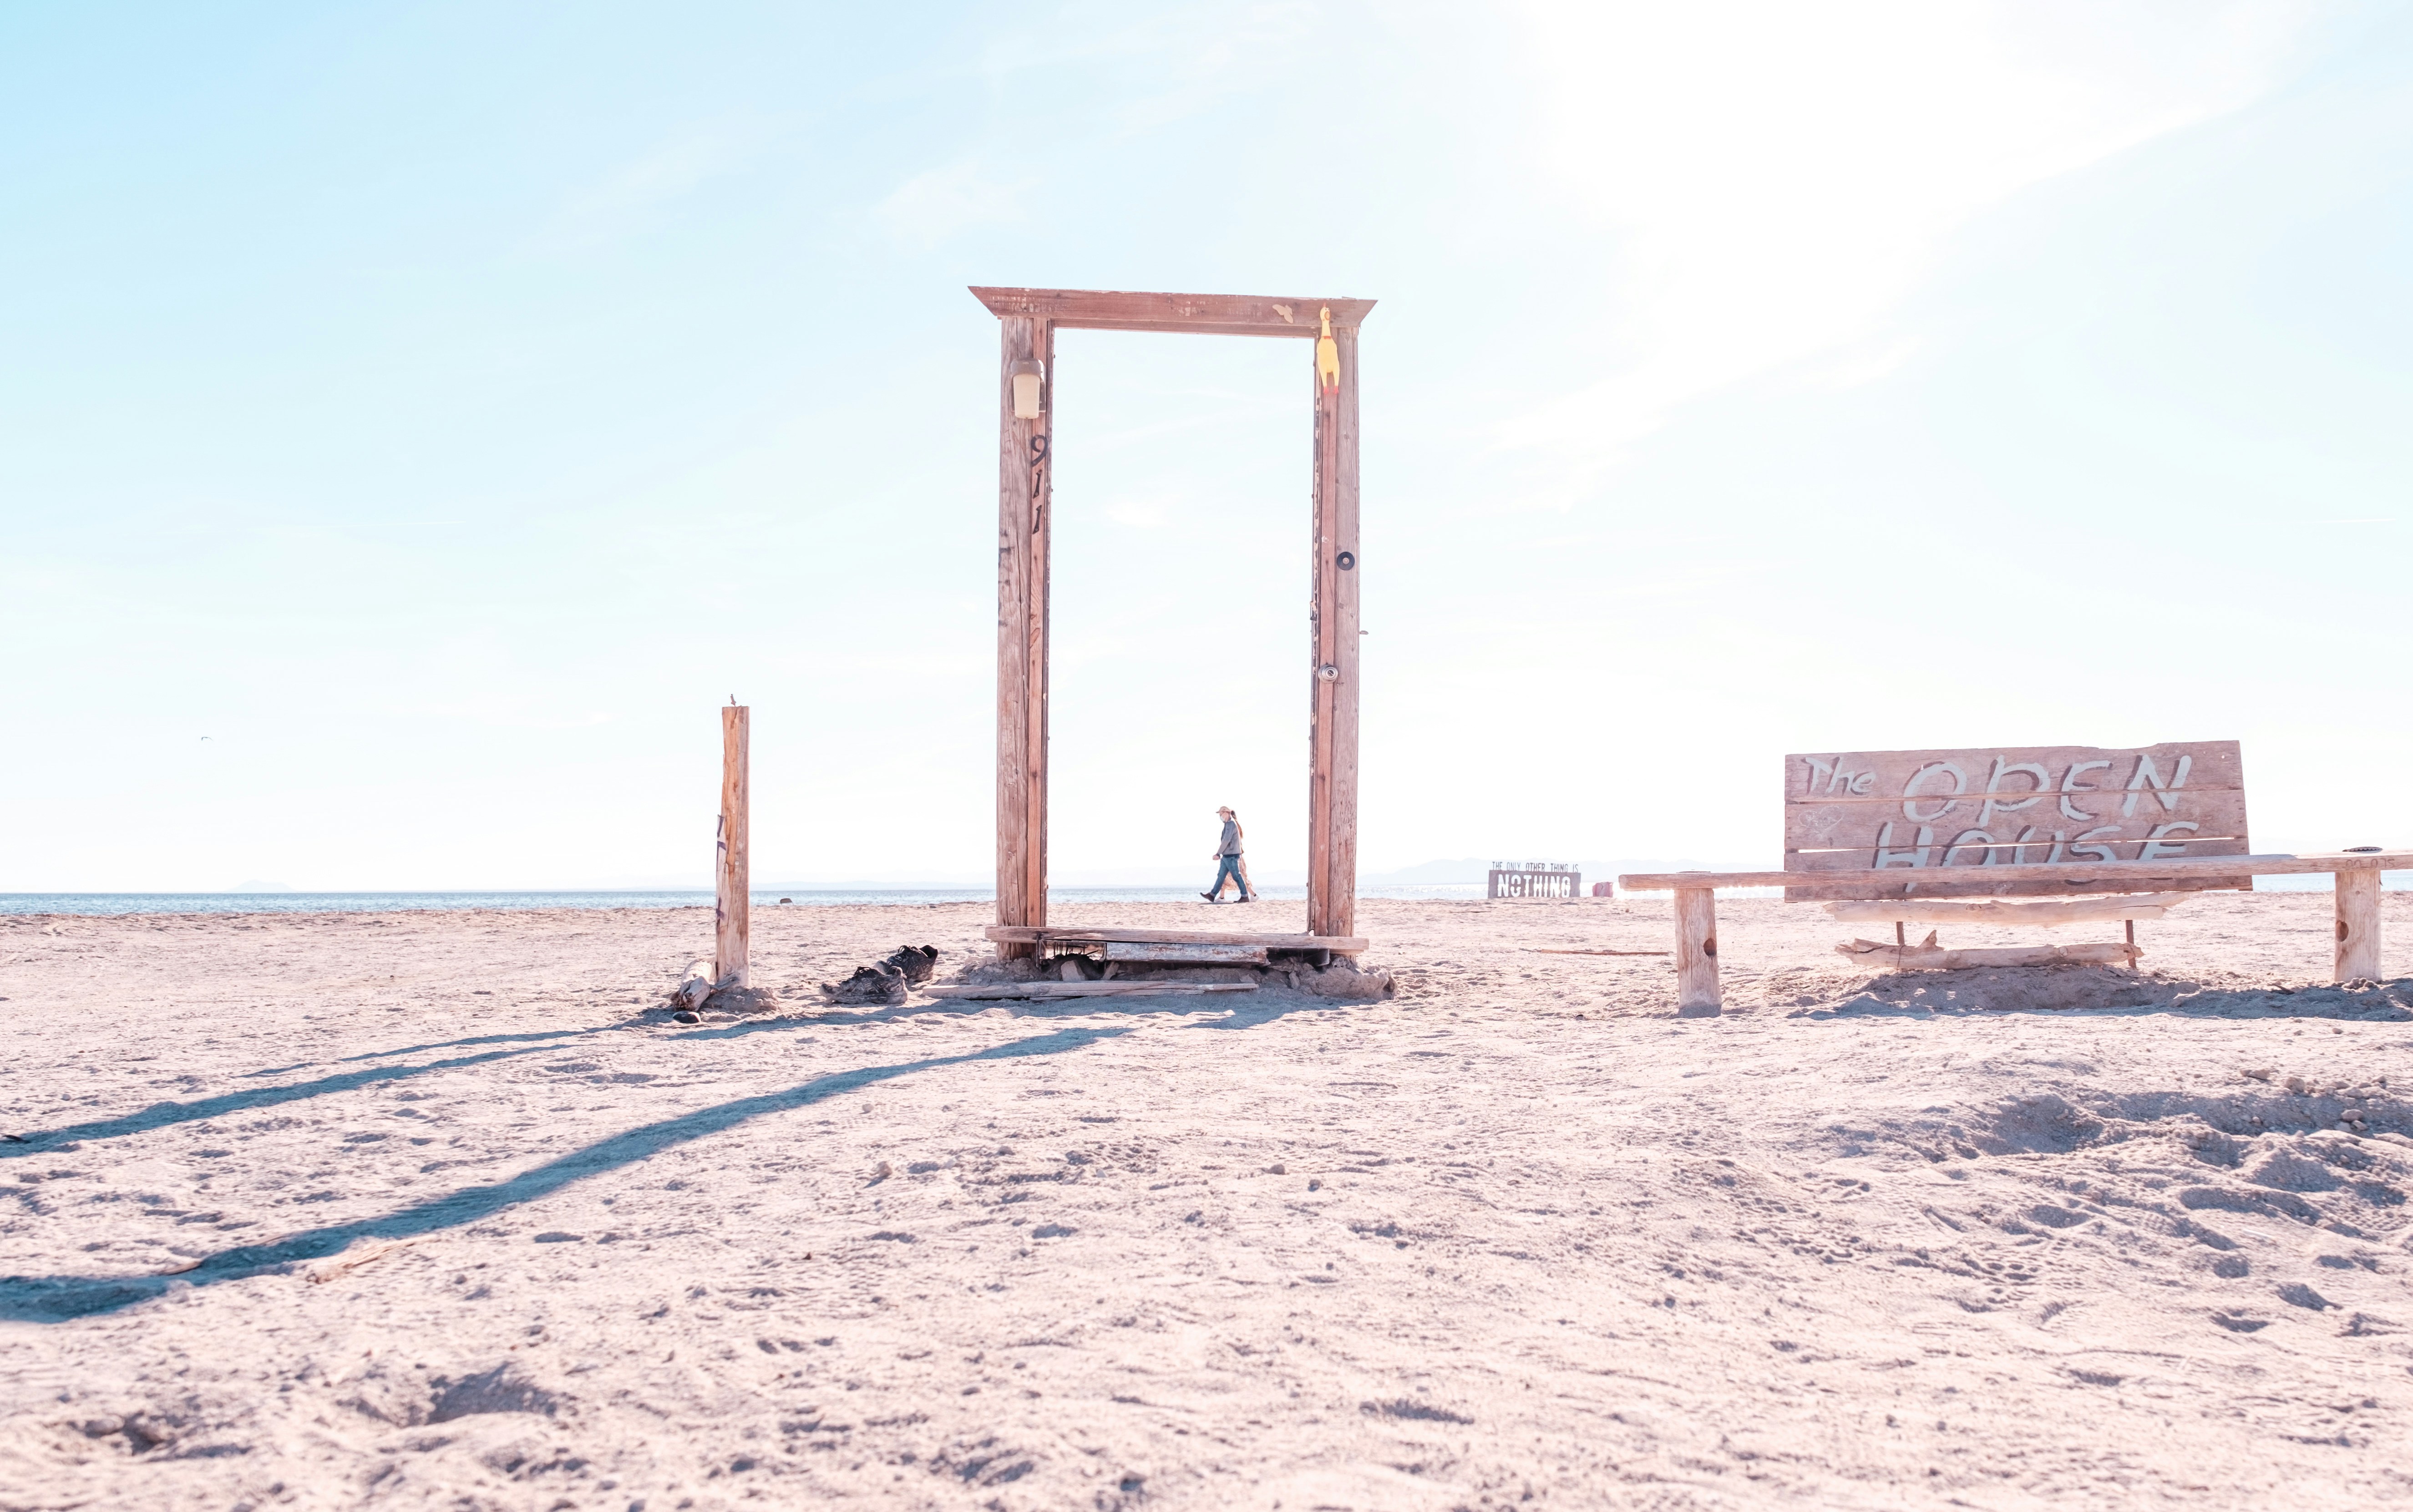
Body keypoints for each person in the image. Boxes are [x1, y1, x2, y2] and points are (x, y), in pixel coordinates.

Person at [1201, 806, 1254, 903]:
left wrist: (1218, 853)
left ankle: (1245, 896)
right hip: (1227, 856)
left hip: (1231, 856)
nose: (1220, 816)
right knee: (1221, 876)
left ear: (1226, 813)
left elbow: (1226, 841)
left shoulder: (1231, 825)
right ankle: (1212, 895)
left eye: (1221, 813)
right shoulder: (1228, 824)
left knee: (1237, 876)